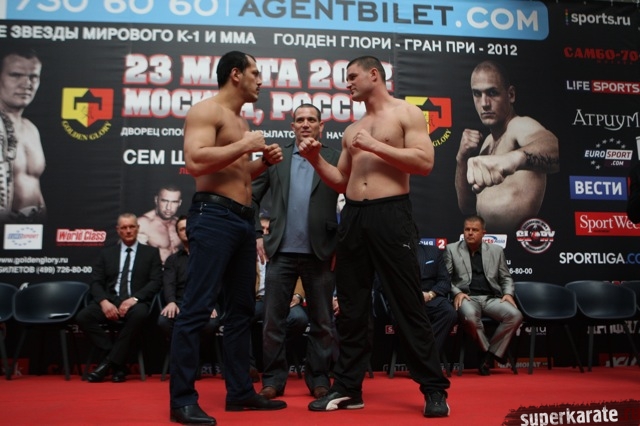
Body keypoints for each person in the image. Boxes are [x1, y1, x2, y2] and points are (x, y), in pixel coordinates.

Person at [298, 55, 451, 418]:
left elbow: (424, 162)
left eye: (352, 76)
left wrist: (374, 146)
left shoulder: (406, 113)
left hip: (391, 214)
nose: (348, 83)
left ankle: (434, 389)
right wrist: (316, 159)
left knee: (408, 304)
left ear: (374, 75)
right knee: (352, 309)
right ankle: (349, 389)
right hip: (353, 217)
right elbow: (341, 181)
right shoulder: (353, 129)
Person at [168, 51, 286, 426]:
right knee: (196, 309)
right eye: (256, 73)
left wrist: (263, 162)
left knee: (240, 311)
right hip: (213, 217)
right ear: (236, 74)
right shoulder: (207, 111)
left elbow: (237, 175)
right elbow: (196, 161)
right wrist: (245, 145)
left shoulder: (239, 120)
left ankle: (239, 392)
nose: (261, 80)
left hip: (242, 220)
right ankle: (182, 400)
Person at [252, 103, 340, 400]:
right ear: (292, 126)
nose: (305, 124)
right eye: (299, 120)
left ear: (321, 126)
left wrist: (339, 243)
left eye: (311, 119)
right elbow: (251, 196)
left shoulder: (334, 157)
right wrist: (257, 234)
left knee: (323, 323)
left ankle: (319, 378)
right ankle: (273, 379)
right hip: (280, 252)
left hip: (320, 252)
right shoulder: (277, 157)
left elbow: (353, 197)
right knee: (272, 322)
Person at [455, 60, 559, 232]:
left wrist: (511, 160)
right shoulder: (487, 143)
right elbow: (467, 207)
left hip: (519, 243)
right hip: (488, 243)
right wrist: (461, 158)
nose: (484, 103)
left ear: (510, 95)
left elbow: (554, 149)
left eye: (492, 93)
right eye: (477, 94)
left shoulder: (519, 126)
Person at [76, 213, 162, 383]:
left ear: (137, 228)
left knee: (140, 314)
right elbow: (96, 282)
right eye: (124, 227)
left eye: (131, 227)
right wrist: (104, 302)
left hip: (135, 302)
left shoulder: (151, 253)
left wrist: (135, 299)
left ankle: (108, 362)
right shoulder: (106, 253)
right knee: (83, 317)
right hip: (110, 300)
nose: (128, 230)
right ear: (118, 230)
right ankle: (117, 363)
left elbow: (156, 281)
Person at [443, 215, 523, 376]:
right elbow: (445, 278)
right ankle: (487, 352)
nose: (470, 233)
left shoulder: (496, 251)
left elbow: (506, 277)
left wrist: (508, 293)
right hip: (467, 298)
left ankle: (489, 354)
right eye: (467, 229)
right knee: (470, 317)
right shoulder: (452, 249)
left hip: (491, 298)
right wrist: (457, 292)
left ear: (483, 233)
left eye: (474, 230)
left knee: (515, 315)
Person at [250, 214, 309, 383]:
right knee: (241, 317)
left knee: (299, 319)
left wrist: (297, 295)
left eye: (269, 229)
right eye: (262, 229)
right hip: (259, 300)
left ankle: (276, 354)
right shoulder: (249, 252)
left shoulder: (285, 250)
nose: (265, 233)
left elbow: (300, 276)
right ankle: (249, 366)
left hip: (285, 299)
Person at [158, 215, 220, 371]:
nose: (186, 231)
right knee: (164, 321)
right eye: (182, 229)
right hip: (180, 304)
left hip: (204, 302)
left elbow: (215, 283)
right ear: (178, 234)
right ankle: (185, 359)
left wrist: (210, 304)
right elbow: (168, 283)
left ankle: (194, 359)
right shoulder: (172, 260)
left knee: (210, 324)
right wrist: (171, 301)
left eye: (189, 227)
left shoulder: (209, 256)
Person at [0, 46, 46, 223]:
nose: (27, 84)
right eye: (16, 75)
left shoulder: (31, 129)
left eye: (33, 77)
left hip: (32, 230)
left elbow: (34, 186)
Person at [138, 185, 183, 263]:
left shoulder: (180, 224)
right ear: (156, 200)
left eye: (174, 202)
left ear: (179, 203)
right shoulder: (143, 223)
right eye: (164, 201)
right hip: (156, 269)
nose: (168, 207)